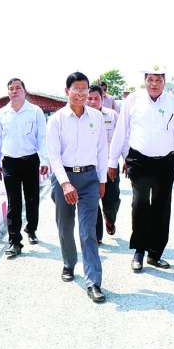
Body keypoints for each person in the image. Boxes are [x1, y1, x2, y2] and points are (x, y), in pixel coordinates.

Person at [107, 65, 174, 272]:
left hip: (165, 162)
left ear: (165, 81)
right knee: (140, 204)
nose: (154, 84)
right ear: (145, 80)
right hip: (139, 161)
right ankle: (139, 250)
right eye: (150, 80)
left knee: (161, 207)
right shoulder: (133, 100)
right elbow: (121, 131)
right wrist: (112, 161)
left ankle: (155, 254)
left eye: (158, 80)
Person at [46, 72, 108, 303]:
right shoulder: (57, 120)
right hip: (64, 177)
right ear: (67, 91)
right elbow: (53, 155)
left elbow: (102, 149)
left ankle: (93, 282)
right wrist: (65, 184)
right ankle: (68, 263)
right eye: (76, 89)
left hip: (89, 178)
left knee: (88, 232)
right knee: (65, 226)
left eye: (85, 89)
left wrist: (102, 180)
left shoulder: (96, 117)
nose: (81, 93)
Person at [0, 77, 48, 258]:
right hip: (9, 162)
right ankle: (14, 242)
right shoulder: (2, 113)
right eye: (11, 88)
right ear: (8, 92)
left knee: (32, 199)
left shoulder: (35, 111)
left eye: (18, 88)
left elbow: (42, 138)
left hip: (30, 160)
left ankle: (31, 229)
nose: (14, 91)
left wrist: (45, 160)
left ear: (25, 91)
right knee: (13, 202)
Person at [87, 85, 121, 243]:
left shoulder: (112, 115)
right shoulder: (81, 117)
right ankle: (97, 235)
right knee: (92, 200)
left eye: (96, 98)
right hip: (89, 167)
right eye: (90, 98)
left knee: (111, 199)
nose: (93, 102)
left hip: (110, 165)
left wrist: (126, 159)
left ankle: (110, 218)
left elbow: (121, 139)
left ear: (102, 99)